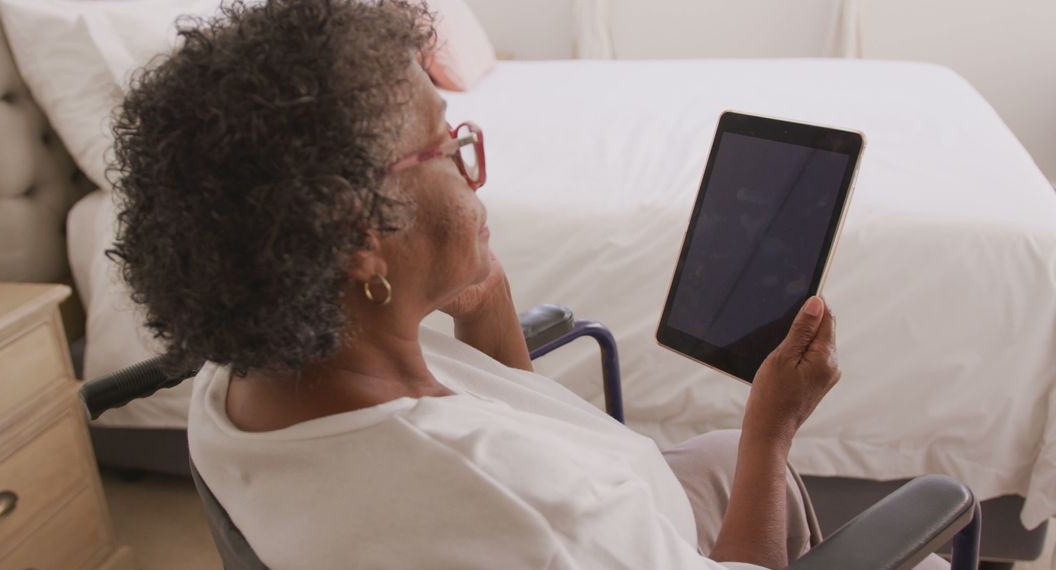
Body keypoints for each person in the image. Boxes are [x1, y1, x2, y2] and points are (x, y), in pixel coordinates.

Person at [108, 1, 945, 568]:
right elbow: (523, 495)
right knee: (809, 480)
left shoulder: (242, 384)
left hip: (625, 510)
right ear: (360, 235)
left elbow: (496, 434)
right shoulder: (541, 517)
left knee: (720, 455)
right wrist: (772, 432)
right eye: (445, 148)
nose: (474, 168)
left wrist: (487, 301)